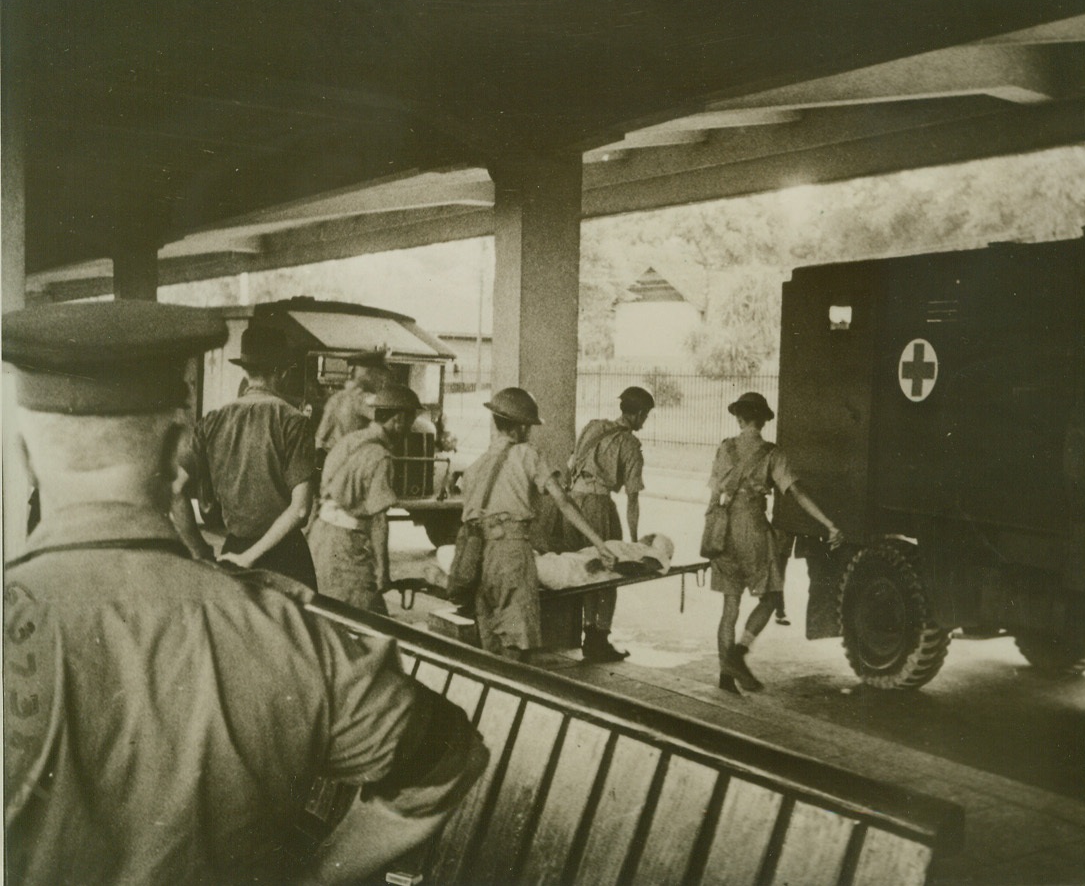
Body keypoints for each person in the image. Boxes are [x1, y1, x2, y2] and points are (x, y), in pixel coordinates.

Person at [2, 300, 488, 885]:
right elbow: (445, 756)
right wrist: (320, 876)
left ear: (25, 460)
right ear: (181, 454)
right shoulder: (285, 629)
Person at [462, 387, 616, 661]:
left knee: (491, 642)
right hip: (512, 555)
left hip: (480, 557)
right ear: (521, 428)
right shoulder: (528, 455)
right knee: (517, 643)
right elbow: (564, 502)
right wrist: (599, 543)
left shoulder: (476, 466)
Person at [707, 392, 843, 693]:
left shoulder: (725, 448)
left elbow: (714, 496)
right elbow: (796, 493)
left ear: (740, 418)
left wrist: (712, 535)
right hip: (753, 528)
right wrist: (828, 523)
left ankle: (726, 676)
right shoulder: (771, 453)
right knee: (770, 597)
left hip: (724, 528)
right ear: (763, 421)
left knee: (730, 607)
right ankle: (739, 653)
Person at [172, 322, 318, 588]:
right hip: (286, 559)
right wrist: (251, 557)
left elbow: (175, 489)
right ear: (283, 373)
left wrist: (199, 550)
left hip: (233, 554)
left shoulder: (213, 422)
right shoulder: (294, 422)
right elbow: (300, 510)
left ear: (246, 372)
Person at [310, 384, 421, 614]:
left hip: (319, 539)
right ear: (398, 419)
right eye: (410, 422)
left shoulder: (349, 441)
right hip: (345, 547)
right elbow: (379, 521)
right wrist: (383, 571)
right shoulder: (380, 457)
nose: (409, 429)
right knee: (367, 621)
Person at [561, 385, 654, 661]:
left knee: (583, 569)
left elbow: (571, 463)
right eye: (645, 415)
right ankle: (598, 639)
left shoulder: (592, 427)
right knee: (607, 571)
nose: (645, 421)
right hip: (598, 507)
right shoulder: (630, 445)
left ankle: (587, 635)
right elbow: (633, 499)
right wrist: (635, 544)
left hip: (573, 505)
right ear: (637, 414)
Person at [316, 349, 392, 466]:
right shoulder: (365, 398)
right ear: (369, 374)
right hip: (355, 463)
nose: (382, 380)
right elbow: (388, 422)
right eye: (380, 375)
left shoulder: (336, 398)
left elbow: (320, 438)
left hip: (332, 462)